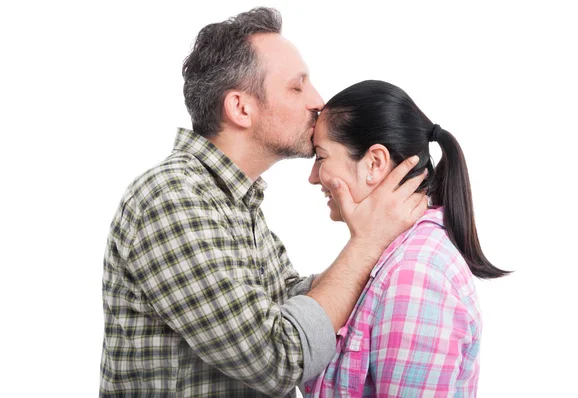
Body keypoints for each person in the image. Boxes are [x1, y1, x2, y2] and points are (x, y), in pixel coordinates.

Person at [99, 9, 428, 397]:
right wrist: (367, 243)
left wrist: (380, 251)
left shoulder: (234, 201)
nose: (318, 101)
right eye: (297, 86)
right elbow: (278, 356)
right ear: (241, 108)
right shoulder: (170, 198)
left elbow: (285, 299)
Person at [304, 80, 510, 397]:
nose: (313, 177)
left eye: (320, 157)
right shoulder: (394, 258)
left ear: (374, 162)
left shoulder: (416, 273)